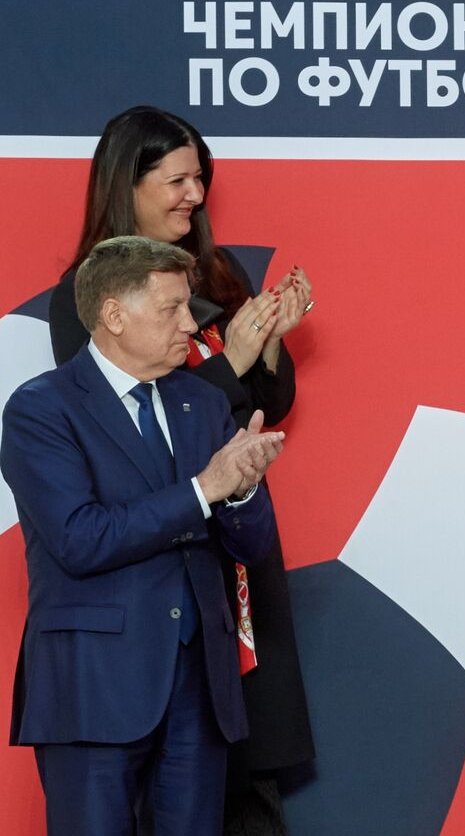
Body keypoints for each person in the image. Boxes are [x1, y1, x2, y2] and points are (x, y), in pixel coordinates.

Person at [48, 106, 315, 833]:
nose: (194, 195)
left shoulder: (216, 273)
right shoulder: (89, 297)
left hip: (230, 551)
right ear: (125, 185)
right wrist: (228, 361)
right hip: (152, 572)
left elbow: (257, 407)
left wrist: (265, 345)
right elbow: (131, 427)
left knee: (243, 767)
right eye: (177, 179)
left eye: (202, 178)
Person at [2, 236, 285, 835]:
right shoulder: (40, 409)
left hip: (198, 696)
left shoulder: (203, 402)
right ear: (113, 315)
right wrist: (204, 489)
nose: (191, 324)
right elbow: (80, 539)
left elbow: (252, 547)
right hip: (91, 687)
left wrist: (242, 488)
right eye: (171, 309)